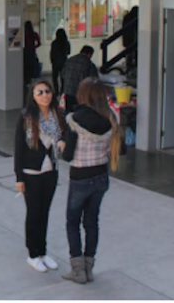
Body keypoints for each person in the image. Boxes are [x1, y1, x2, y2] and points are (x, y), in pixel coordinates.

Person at [61, 78, 122, 284]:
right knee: (91, 222)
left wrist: (61, 145)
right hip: (101, 177)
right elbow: (121, 149)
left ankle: (78, 271)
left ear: (82, 94)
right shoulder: (110, 118)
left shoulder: (74, 119)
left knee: (72, 222)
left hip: (80, 177)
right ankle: (88, 267)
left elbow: (68, 156)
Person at [14, 80, 66, 273]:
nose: (45, 95)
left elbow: (62, 135)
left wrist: (61, 141)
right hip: (31, 173)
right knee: (34, 214)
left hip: (50, 172)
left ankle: (43, 252)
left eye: (47, 91)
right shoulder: (26, 117)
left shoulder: (56, 114)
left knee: (44, 213)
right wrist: (19, 177)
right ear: (33, 96)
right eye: (40, 92)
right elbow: (19, 148)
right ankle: (33, 254)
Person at [62, 46, 99, 113]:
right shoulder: (88, 63)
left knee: (69, 111)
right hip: (80, 92)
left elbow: (63, 74)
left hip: (68, 90)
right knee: (79, 112)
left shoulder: (70, 60)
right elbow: (94, 79)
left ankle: (68, 122)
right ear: (89, 54)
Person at [50, 28, 71, 97]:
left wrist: (52, 60)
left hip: (55, 62)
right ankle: (63, 91)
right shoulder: (66, 42)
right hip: (64, 62)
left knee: (55, 77)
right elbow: (68, 52)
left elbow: (52, 53)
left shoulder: (54, 43)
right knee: (63, 78)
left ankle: (56, 91)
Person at [24, 21, 42, 86]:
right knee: (33, 65)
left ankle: (27, 81)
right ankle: (32, 79)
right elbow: (39, 43)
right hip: (32, 51)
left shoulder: (24, 34)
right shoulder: (34, 34)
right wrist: (34, 47)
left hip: (25, 52)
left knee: (26, 66)